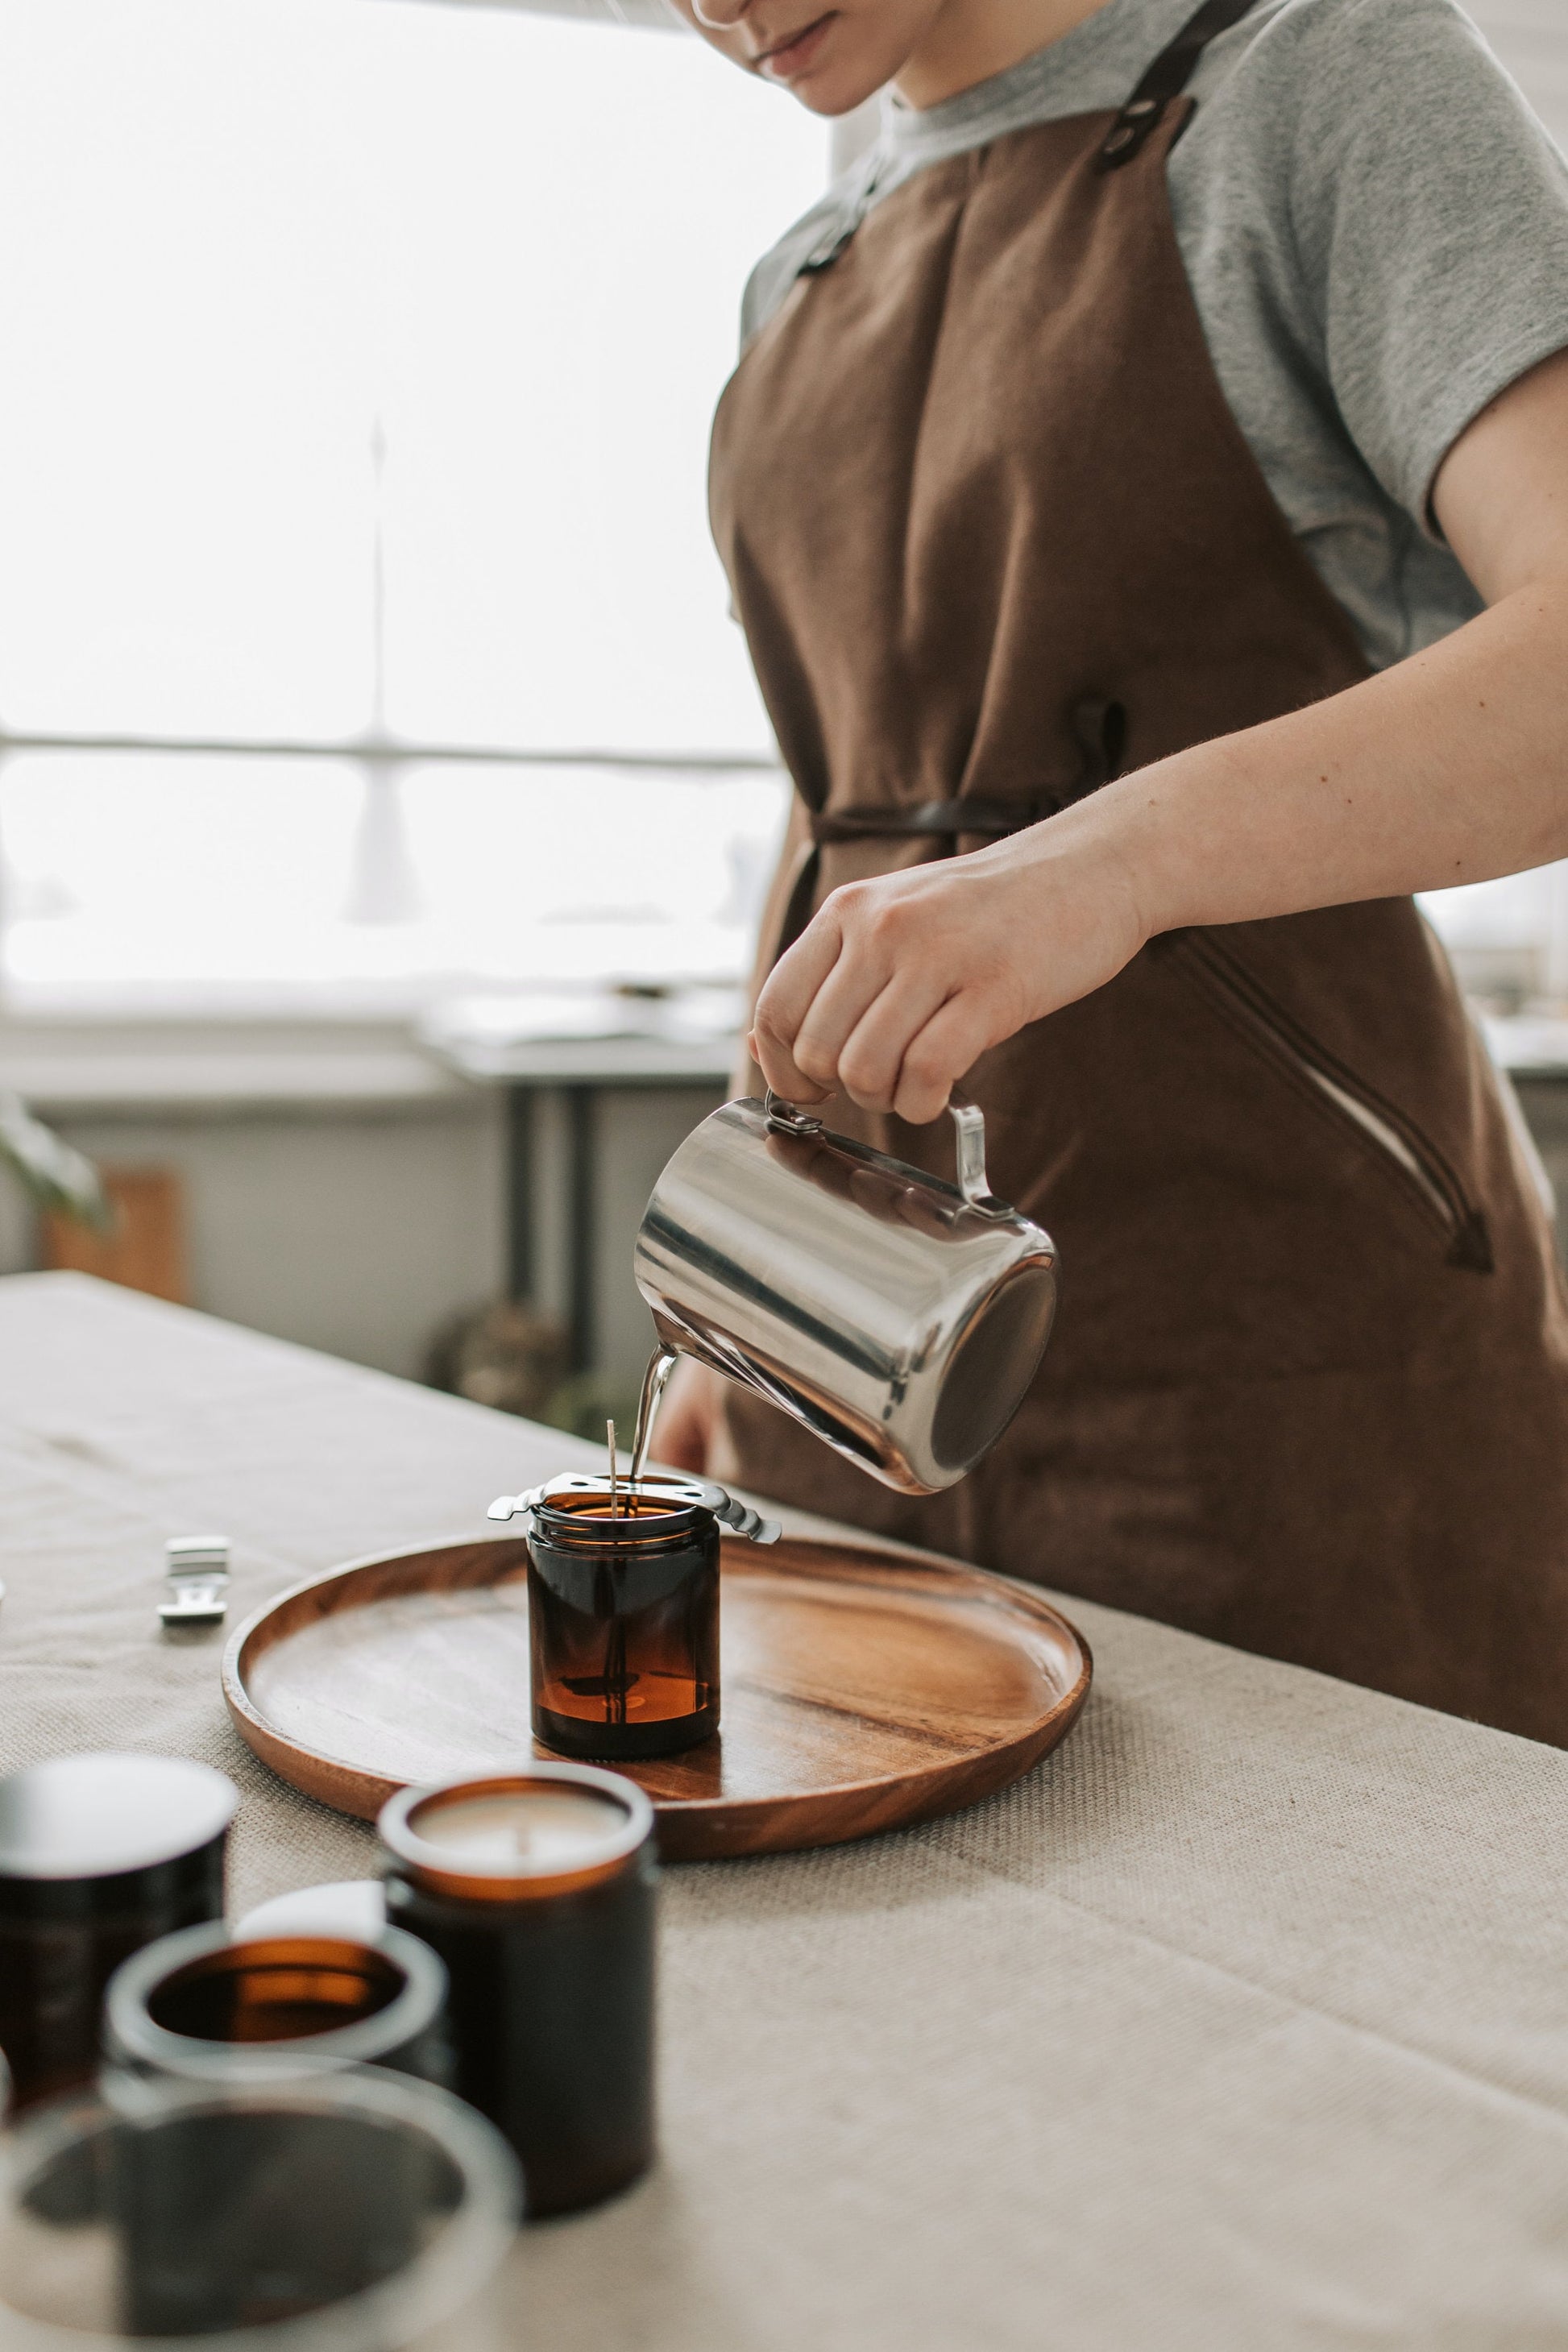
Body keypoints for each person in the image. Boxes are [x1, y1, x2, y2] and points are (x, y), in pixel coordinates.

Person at [653, 0, 1568, 1741]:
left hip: (1283, 1347)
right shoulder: (798, 281)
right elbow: (838, 803)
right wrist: (732, 1281)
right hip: (839, 1329)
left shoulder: (1314, 80)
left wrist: (1104, 860)